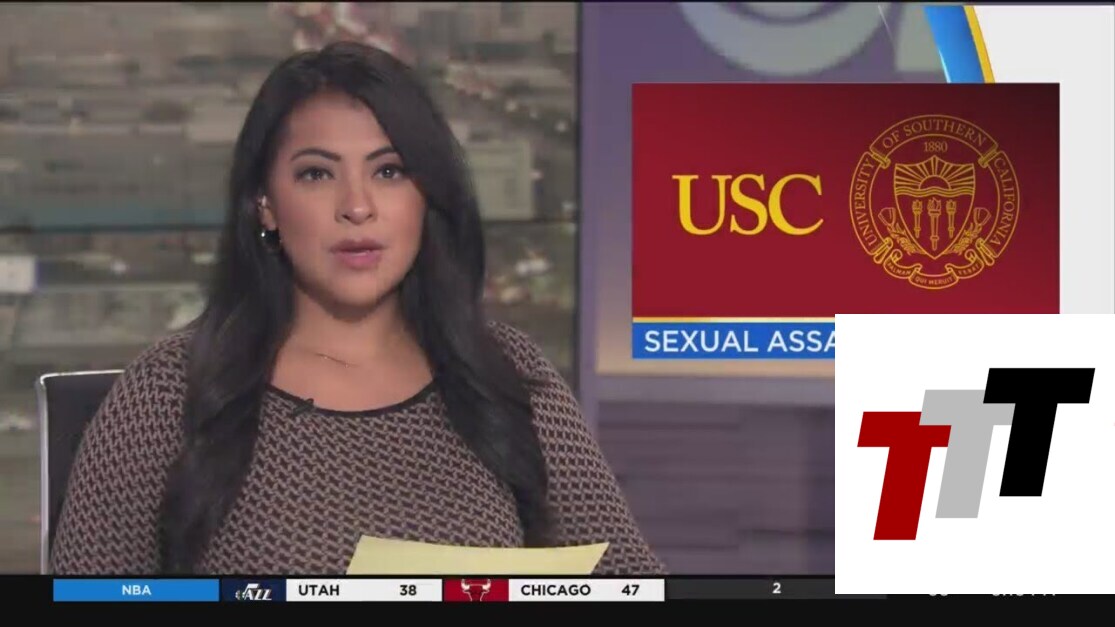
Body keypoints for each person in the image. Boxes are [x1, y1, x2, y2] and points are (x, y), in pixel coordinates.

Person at [48, 41, 665, 576]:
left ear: (426, 196)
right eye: (317, 175)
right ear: (265, 204)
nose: (358, 206)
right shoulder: (168, 392)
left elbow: (631, 582)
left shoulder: (504, 372)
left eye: (390, 171)